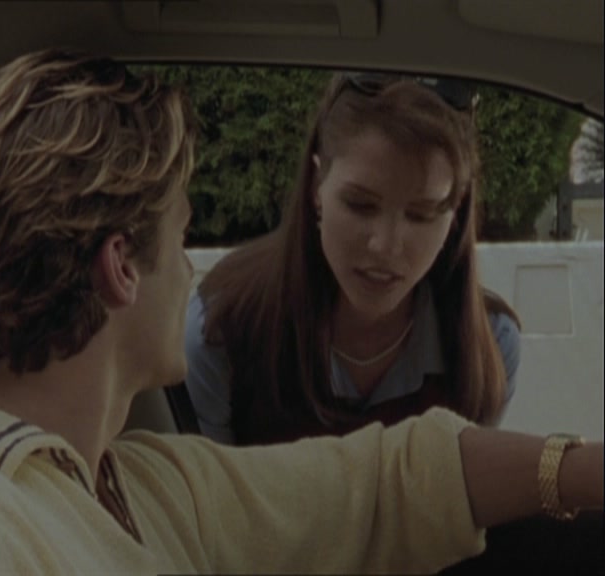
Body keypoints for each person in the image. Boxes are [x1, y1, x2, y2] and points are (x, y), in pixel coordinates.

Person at [0, 48, 602, 576]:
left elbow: (385, 484)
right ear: (122, 267)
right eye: (180, 237)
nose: (189, 270)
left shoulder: (141, 484)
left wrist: (578, 470)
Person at [185, 72, 521, 445]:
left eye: (421, 215)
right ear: (316, 187)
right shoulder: (220, 331)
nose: (386, 246)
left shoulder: (487, 349)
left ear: (455, 213)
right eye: (360, 205)